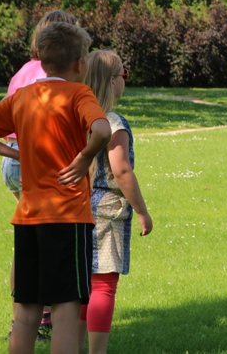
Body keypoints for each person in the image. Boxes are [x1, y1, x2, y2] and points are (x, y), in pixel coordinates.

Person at [0, 21, 111, 354]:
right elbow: (102, 130)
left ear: (42, 60)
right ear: (79, 64)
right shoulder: (79, 93)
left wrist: (14, 152)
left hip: (28, 217)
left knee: (26, 311)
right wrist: (85, 157)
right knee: (66, 309)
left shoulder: (22, 97)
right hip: (68, 217)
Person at [1, 9, 78, 342]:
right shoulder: (53, 75)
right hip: (37, 160)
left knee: (28, 241)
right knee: (49, 241)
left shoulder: (23, 71)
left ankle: (20, 317)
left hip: (13, 159)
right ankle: (45, 313)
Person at [79, 50, 153, 354]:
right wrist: (143, 211)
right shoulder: (112, 122)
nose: (125, 80)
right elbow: (121, 171)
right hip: (108, 210)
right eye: (124, 74)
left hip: (77, 205)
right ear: (112, 81)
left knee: (81, 283)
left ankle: (73, 345)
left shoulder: (77, 117)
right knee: (103, 284)